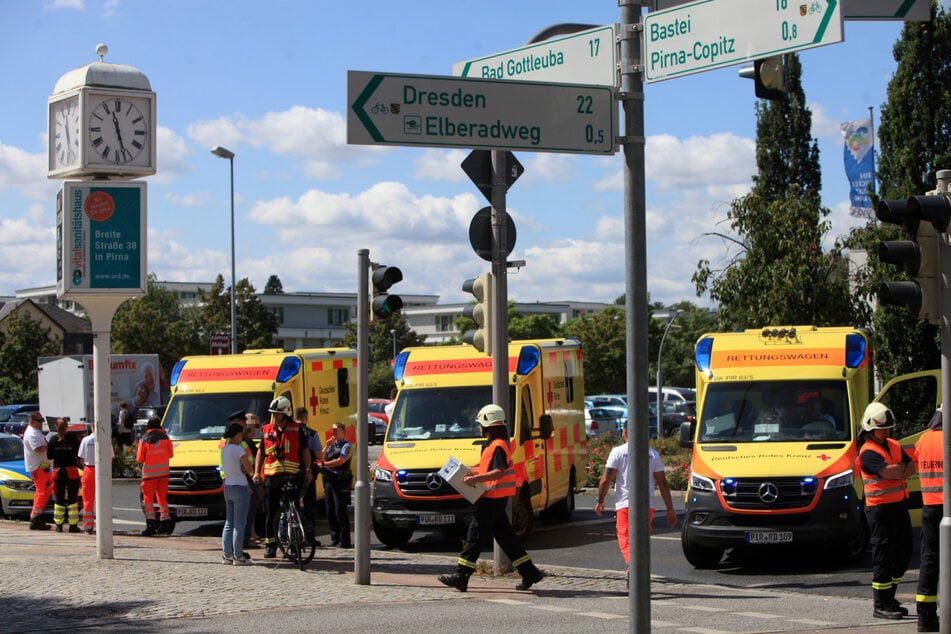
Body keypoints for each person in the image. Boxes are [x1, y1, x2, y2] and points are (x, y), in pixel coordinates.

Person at [437, 404, 544, 593]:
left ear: (487, 424)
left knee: (474, 537)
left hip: (491, 499)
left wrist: (475, 479)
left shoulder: (497, 445)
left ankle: (461, 576)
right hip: (494, 498)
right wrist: (469, 471)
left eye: (480, 423)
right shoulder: (495, 445)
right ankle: (530, 573)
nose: (479, 427)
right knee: (506, 539)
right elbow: (488, 469)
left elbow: (498, 472)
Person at [595, 420, 678, 587]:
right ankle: (639, 570)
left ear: (624, 433)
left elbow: (606, 479)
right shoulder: (652, 454)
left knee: (625, 537)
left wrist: (600, 500)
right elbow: (662, 483)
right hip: (647, 505)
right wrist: (670, 509)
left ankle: (632, 569)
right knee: (641, 540)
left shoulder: (617, 452)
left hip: (625, 504)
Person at [858, 402, 916, 620]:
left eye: (888, 427)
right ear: (871, 428)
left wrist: (897, 471)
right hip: (879, 510)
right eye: (882, 427)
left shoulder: (893, 444)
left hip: (898, 506)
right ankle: (881, 604)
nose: (886, 431)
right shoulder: (867, 452)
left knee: (904, 552)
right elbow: (890, 471)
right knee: (883, 555)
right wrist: (898, 471)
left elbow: (910, 467)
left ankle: (889, 598)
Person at [252, 396, 312, 559]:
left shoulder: (297, 429)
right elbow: (261, 452)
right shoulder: (266, 430)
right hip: (272, 476)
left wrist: (308, 470)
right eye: (274, 414)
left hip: (293, 475)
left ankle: (295, 544)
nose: (275, 417)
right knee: (270, 511)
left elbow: (305, 451)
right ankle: (270, 546)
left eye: (278, 414)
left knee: (294, 509)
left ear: (286, 413)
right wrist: (257, 472)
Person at [914, 407, 943, 632]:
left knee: (929, 560)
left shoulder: (923, 440)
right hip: (948, 508)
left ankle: (925, 618)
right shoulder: (948, 439)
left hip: (929, 506)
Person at [221, 421, 254, 565]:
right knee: (239, 524)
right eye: (240, 435)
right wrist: (246, 467)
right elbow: (248, 468)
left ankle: (227, 555)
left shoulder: (225, 449)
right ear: (236, 435)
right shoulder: (239, 450)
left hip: (227, 486)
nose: (242, 439)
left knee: (229, 523)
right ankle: (238, 555)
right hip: (240, 486)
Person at [137, 416, 175, 537]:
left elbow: (139, 458)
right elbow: (170, 455)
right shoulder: (166, 438)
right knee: (162, 498)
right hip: (163, 474)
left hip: (149, 475)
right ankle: (164, 522)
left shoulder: (144, 439)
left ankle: (151, 524)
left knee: (148, 500)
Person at [319, 422, 352, 548]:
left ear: (343, 430)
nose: (333, 432)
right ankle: (335, 537)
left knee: (340, 510)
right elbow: (321, 457)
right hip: (329, 479)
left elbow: (341, 461)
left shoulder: (346, 445)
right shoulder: (332, 446)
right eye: (331, 429)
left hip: (340, 480)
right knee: (330, 510)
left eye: (335, 430)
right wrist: (326, 447)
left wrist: (325, 465)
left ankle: (345, 540)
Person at [47, 418, 82, 533]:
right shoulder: (72, 439)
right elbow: (78, 453)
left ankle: (59, 525)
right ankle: (73, 526)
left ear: (56, 427)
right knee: (72, 498)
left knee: (59, 498)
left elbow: (49, 456)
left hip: (58, 471)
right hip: (71, 470)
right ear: (67, 426)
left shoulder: (53, 439)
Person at [77, 424, 112, 534]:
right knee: (103, 499)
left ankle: (88, 526)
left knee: (88, 499)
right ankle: (105, 525)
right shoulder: (106, 440)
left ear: (92, 427)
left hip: (88, 470)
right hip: (102, 470)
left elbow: (81, 458)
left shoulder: (86, 440)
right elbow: (110, 458)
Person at [297, 406, 323, 546]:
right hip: (308, 473)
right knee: (309, 505)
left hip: (292, 471)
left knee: (293, 504)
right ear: (305, 418)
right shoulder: (312, 434)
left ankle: (294, 535)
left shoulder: (290, 432)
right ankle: (309, 537)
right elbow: (319, 455)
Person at [23, 412, 53, 530]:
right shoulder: (32, 434)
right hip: (38, 467)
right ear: (32, 421)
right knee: (42, 492)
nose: (41, 423)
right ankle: (35, 517)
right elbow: (37, 449)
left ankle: (36, 516)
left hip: (42, 467)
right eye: (39, 421)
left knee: (44, 491)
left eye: (42, 420)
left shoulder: (35, 432)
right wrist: (51, 445)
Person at [243, 412, 264, 549]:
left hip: (250, 479)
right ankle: (248, 538)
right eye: (255, 426)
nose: (257, 429)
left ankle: (252, 534)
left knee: (250, 511)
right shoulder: (246, 442)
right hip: (247, 481)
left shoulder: (247, 441)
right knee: (247, 511)